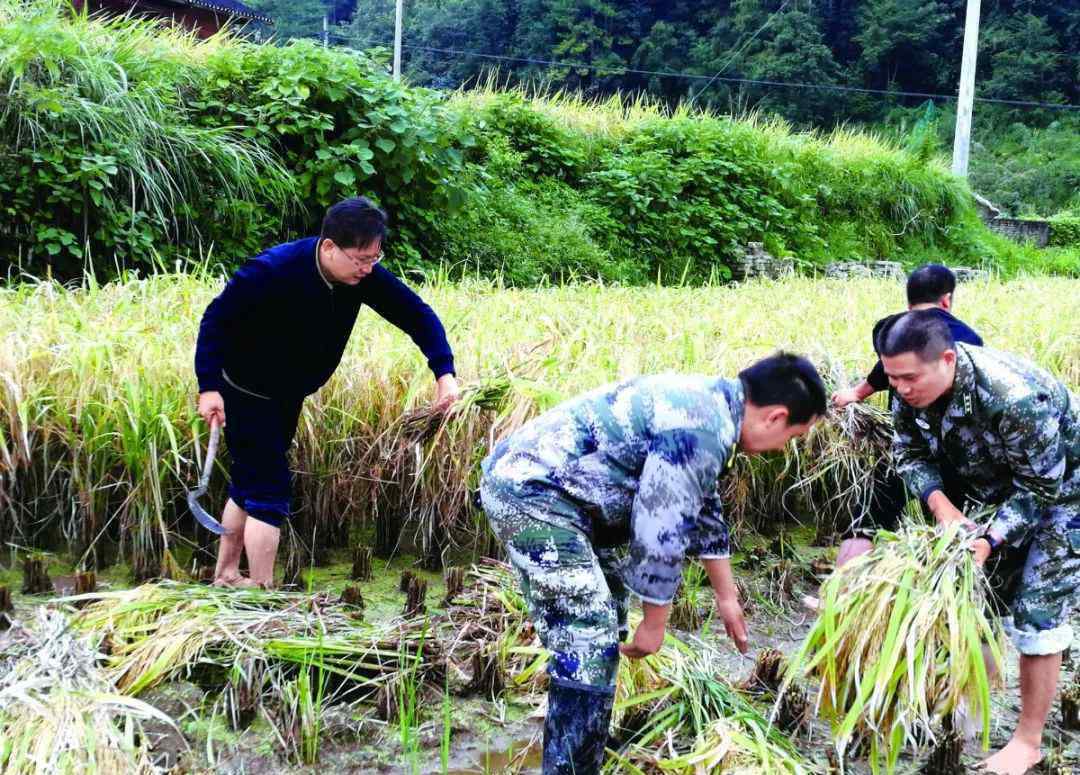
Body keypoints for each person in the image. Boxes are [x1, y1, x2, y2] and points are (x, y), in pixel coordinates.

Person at [479, 353, 827, 774]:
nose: (780, 448)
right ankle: (570, 767)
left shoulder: (714, 407)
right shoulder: (703, 428)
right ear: (775, 417)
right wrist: (655, 622)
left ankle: (584, 740)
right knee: (587, 633)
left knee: (607, 616)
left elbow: (702, 504)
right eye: (791, 437)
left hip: (567, 499)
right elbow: (660, 521)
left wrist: (726, 596)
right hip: (534, 494)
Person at [194, 197, 459, 587]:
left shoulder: (362, 276)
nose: (368, 268)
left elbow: (415, 314)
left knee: (249, 480)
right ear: (329, 246)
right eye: (361, 259)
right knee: (269, 489)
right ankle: (262, 593)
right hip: (245, 390)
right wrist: (208, 387)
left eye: (375, 258)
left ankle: (228, 574)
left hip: (286, 392)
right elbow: (214, 322)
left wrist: (444, 374)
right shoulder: (270, 271)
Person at [881, 310, 1080, 775]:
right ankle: (969, 709)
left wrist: (991, 539)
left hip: (1065, 492)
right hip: (994, 489)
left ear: (947, 359)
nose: (902, 389)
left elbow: (1041, 488)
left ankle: (1027, 741)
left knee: (1036, 608)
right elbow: (906, 452)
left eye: (909, 377)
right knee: (977, 595)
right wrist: (943, 508)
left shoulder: (1014, 399)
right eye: (893, 379)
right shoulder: (907, 390)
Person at [831, 264, 984, 567]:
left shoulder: (891, 329)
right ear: (947, 300)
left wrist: (856, 394)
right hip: (955, 455)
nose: (904, 386)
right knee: (954, 526)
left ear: (908, 299)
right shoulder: (969, 337)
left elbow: (882, 371)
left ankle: (840, 591)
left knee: (869, 515)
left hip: (907, 448)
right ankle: (943, 588)